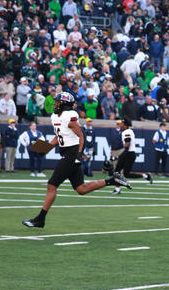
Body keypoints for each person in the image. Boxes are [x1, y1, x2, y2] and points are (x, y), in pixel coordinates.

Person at [22, 93, 131, 228]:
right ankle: (112, 180)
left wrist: (79, 155)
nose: (55, 104)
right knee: (81, 188)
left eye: (57, 102)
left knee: (52, 185)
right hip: (68, 153)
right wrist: (44, 148)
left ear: (64, 104)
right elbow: (59, 136)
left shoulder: (69, 116)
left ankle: (40, 219)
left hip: (72, 154)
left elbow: (81, 136)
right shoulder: (55, 116)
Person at [112, 118, 153, 194]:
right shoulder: (127, 131)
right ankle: (146, 176)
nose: (120, 125)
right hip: (130, 154)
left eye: (121, 123)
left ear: (125, 125)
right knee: (124, 173)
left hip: (129, 154)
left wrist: (118, 157)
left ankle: (117, 189)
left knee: (118, 172)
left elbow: (127, 146)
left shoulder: (127, 132)